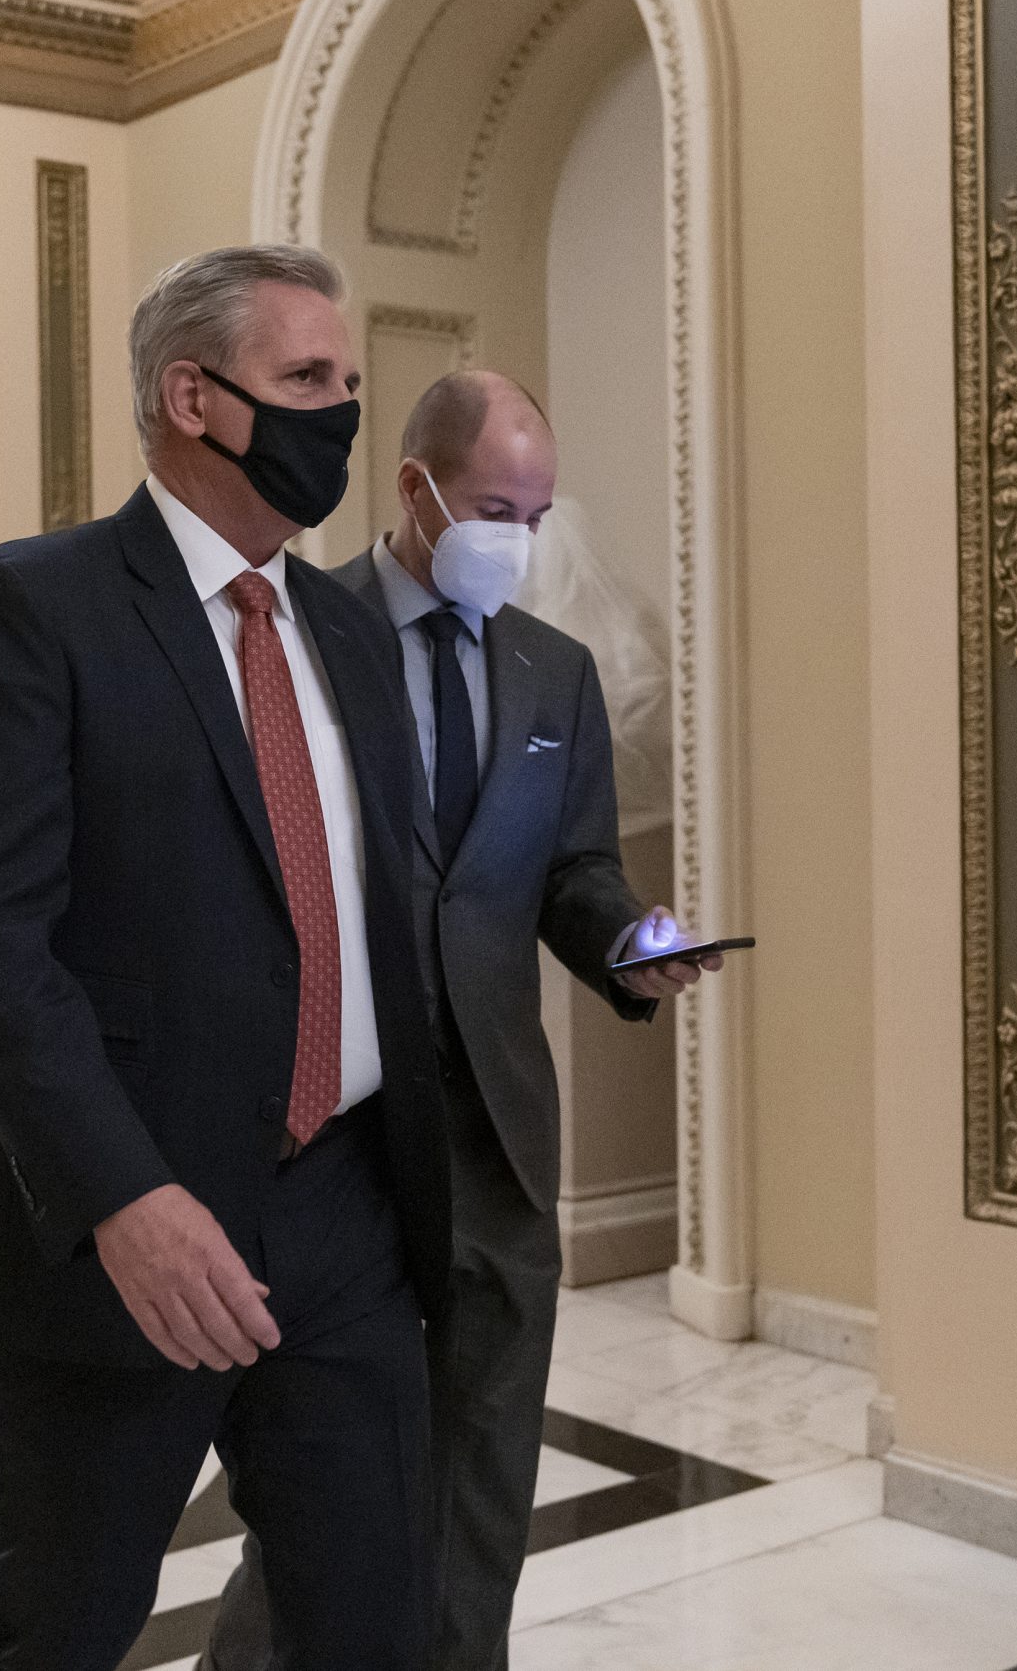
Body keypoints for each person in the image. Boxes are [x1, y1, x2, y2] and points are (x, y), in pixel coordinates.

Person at [0, 244, 450, 1671]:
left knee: (372, 1618)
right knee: (61, 1625)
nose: (342, 411)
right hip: (131, 1219)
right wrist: (121, 1196)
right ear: (192, 397)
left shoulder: (347, 629)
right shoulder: (30, 607)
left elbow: (376, 905)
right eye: (306, 378)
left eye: (348, 379)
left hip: (345, 1209)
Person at [203, 371, 720, 1671]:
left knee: (483, 1465)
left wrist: (630, 943)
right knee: (323, 1475)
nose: (520, 541)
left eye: (538, 516)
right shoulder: (294, 633)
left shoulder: (556, 672)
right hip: (335, 1133)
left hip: (493, 1134)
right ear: (415, 488)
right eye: (497, 510)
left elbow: (572, 872)